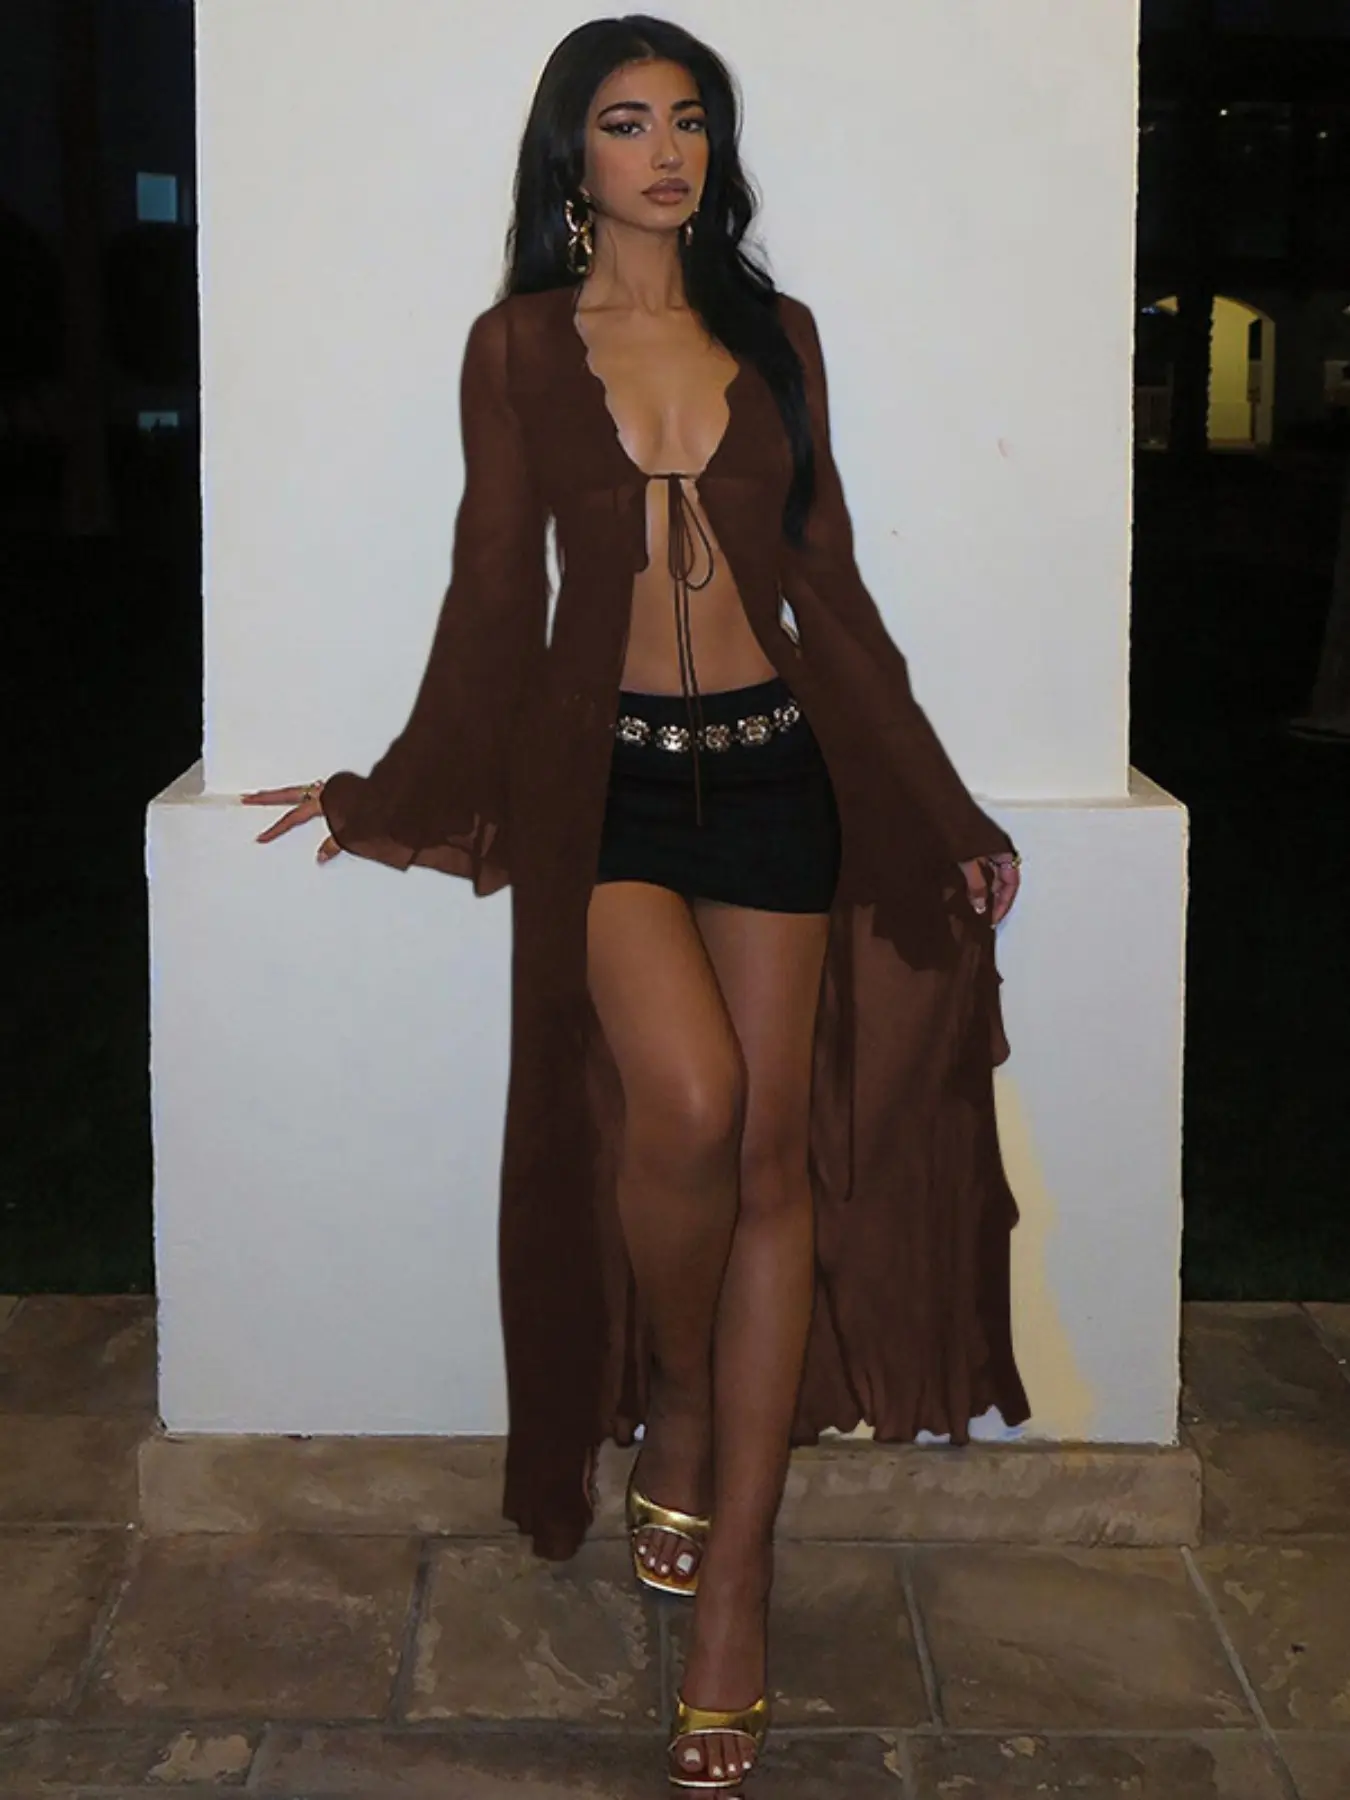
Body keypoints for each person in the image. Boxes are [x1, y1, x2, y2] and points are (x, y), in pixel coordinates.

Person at [243, 14, 1026, 1789]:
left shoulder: (775, 333)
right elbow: (487, 589)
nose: (665, 151)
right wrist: (386, 793)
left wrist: (939, 805)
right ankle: (679, 1389)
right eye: (625, 123)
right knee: (684, 1105)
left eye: (688, 121)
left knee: (768, 1158)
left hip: (774, 774)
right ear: (570, 158)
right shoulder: (520, 346)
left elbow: (832, 588)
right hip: (599, 784)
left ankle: (735, 1581)